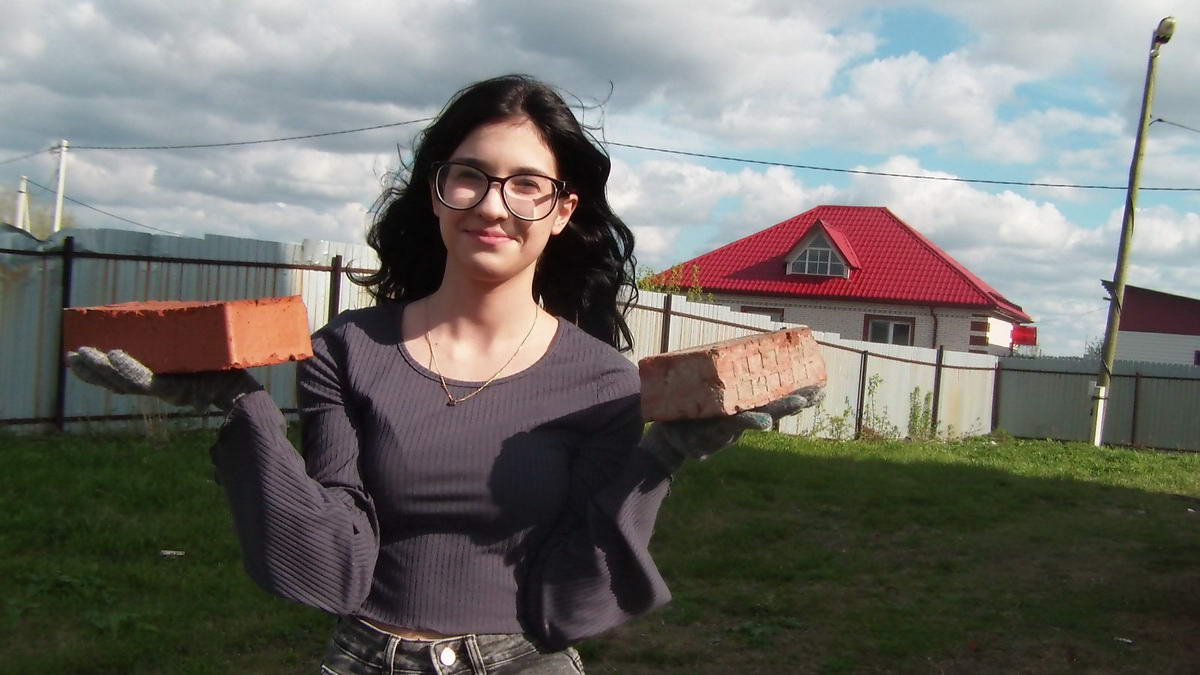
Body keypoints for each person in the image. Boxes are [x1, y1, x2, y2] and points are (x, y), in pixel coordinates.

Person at [66, 74, 820, 674]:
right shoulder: (346, 351)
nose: (493, 205)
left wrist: (662, 458)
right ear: (437, 191)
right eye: (470, 177)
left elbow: (573, 590)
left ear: (562, 211)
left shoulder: (602, 382)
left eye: (526, 184)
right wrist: (239, 407)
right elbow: (334, 562)